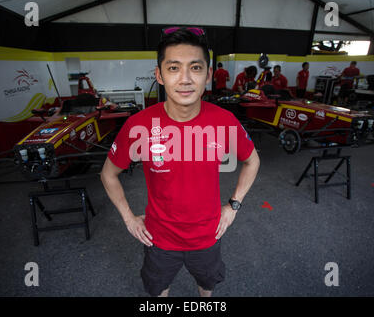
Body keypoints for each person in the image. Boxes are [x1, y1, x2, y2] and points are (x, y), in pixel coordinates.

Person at [100, 27, 260, 297]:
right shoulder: (138, 125)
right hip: (159, 239)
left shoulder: (224, 121)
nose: (185, 79)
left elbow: (252, 161)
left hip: (209, 235)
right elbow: (108, 174)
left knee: (207, 287)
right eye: (174, 68)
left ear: (208, 75)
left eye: (195, 68)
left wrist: (233, 206)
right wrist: (129, 218)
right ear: (159, 75)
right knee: (159, 290)